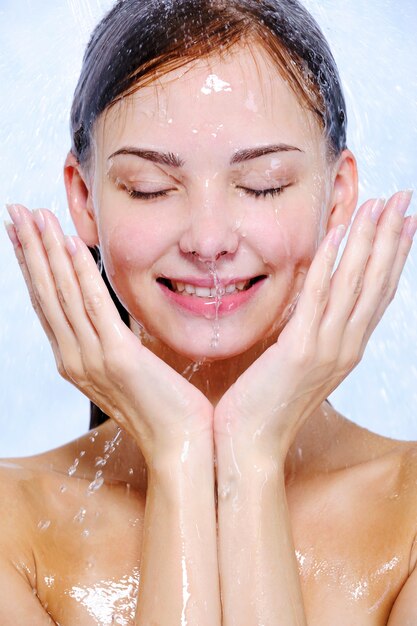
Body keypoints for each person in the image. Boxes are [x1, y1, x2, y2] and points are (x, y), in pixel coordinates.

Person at [2, 0, 416, 623]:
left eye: (264, 184)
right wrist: (180, 451)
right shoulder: (13, 526)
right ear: (85, 199)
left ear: (337, 198)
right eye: (150, 188)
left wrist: (251, 450)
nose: (209, 237)